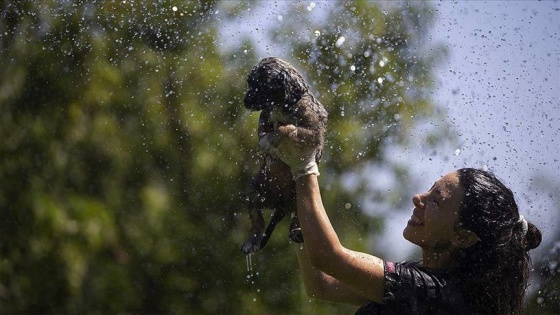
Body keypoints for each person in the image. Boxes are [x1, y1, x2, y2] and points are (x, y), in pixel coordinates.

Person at [263, 125, 543, 314]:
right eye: (430, 189)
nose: (418, 198)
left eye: (436, 200)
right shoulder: (428, 285)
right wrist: (300, 217)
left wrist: (304, 167)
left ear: (463, 236)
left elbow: (331, 258)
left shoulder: (435, 294)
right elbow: (322, 285)